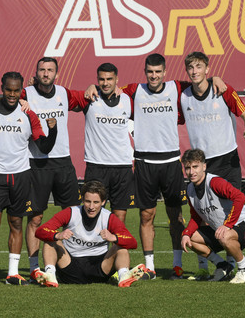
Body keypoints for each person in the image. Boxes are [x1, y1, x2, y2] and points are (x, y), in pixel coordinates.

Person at [85, 53, 225, 280]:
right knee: (146, 216)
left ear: (165, 72)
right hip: (144, 163)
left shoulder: (176, 87)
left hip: (171, 163)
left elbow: (201, 83)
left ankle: (177, 264)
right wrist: (92, 85)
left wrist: (216, 77)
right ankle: (149, 266)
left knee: (176, 216)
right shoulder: (133, 90)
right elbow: (107, 88)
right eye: (150, 72)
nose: (154, 76)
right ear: (145, 72)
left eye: (158, 72)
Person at [0, 71, 57, 287]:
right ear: (2, 88)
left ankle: (12, 273)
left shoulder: (29, 113)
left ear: (22, 90)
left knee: (17, 223)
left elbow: (44, 146)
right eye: (8, 90)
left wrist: (53, 129)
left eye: (16, 90)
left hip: (20, 176)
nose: (12, 94)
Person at [181, 51, 245, 280]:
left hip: (227, 160)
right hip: (203, 164)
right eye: (191, 67)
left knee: (230, 210)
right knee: (202, 213)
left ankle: (233, 263)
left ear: (207, 69)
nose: (195, 71)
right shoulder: (182, 95)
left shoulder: (223, 90)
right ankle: (211, 264)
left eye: (199, 67)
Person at [22, 57, 81, 282]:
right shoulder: (25, 94)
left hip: (63, 162)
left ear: (57, 74)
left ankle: (70, 262)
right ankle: (34, 267)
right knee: (35, 218)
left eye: (50, 70)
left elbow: (88, 97)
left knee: (72, 215)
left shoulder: (64, 94)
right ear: (36, 73)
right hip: (36, 163)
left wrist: (94, 87)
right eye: (42, 70)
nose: (46, 74)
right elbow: (0, 102)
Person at [34, 180, 142, 287]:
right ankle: (50, 275)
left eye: (96, 202)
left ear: (103, 202)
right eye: (87, 201)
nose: (91, 207)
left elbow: (132, 242)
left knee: (121, 247)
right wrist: (57, 235)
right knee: (51, 241)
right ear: (82, 199)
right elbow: (40, 231)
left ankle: (124, 276)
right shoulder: (70, 212)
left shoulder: (109, 217)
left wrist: (114, 237)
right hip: (70, 267)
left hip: (100, 269)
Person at [180, 149, 245, 284]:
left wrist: (228, 225)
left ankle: (244, 268)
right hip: (224, 231)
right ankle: (223, 266)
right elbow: (196, 217)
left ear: (204, 166)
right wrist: (186, 233)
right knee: (190, 238)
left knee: (225, 236)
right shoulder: (190, 189)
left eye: (195, 166)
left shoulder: (214, 182)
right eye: (187, 168)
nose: (191, 172)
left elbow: (240, 197)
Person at [71, 63, 136, 223]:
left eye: (109, 79)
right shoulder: (88, 98)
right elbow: (60, 95)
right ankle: (94, 249)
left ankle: (115, 248)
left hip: (122, 166)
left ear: (116, 79)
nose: (105, 83)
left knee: (119, 216)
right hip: (96, 166)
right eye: (101, 79)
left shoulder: (128, 100)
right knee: (92, 214)